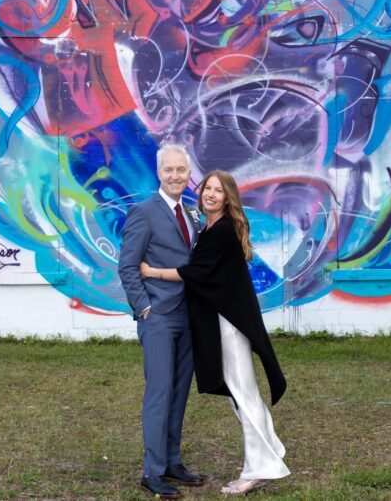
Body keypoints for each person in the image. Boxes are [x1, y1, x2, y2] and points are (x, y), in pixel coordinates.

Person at [140, 170, 290, 495]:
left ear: (227, 198)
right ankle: (270, 451)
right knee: (242, 395)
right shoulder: (209, 227)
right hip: (224, 322)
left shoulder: (220, 231)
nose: (210, 194)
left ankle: (258, 469)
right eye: (207, 188)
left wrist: (152, 271)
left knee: (243, 394)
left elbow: (194, 272)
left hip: (229, 325)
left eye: (218, 191)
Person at [117, 144, 205, 499]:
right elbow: (127, 266)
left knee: (180, 392)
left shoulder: (190, 215)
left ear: (188, 174)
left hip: (188, 316)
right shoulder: (144, 212)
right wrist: (144, 309)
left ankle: (172, 461)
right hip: (158, 318)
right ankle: (152, 472)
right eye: (169, 170)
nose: (175, 176)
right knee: (159, 393)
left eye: (181, 170)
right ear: (159, 173)